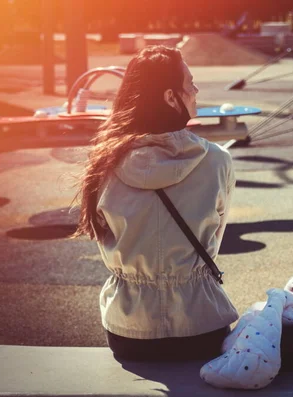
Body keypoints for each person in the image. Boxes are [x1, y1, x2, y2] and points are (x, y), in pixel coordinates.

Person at [71, 45, 239, 361]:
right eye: (189, 83)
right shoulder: (217, 161)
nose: (196, 90)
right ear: (170, 97)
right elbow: (214, 240)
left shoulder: (104, 163)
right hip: (201, 326)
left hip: (128, 329)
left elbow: (105, 235)